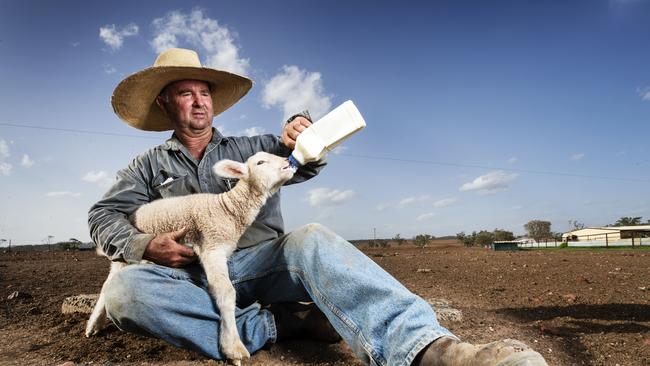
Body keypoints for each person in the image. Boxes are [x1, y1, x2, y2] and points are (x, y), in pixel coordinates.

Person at [89, 48, 547, 366]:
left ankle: (427, 350)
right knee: (125, 294)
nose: (199, 101)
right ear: (165, 102)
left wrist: (300, 134)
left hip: (261, 262)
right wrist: (144, 244)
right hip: (191, 276)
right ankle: (279, 325)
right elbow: (101, 216)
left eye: (204, 92)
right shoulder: (147, 166)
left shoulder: (253, 147)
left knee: (310, 239)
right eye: (185, 93)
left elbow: (300, 162)